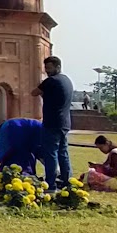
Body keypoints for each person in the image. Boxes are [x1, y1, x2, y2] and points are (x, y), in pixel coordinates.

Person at [38, 55, 74, 189]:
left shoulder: (51, 81)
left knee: (51, 153)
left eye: (49, 68)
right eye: (46, 68)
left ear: (57, 67)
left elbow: (34, 92)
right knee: (63, 152)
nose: (47, 70)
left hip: (52, 122)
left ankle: (51, 183)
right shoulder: (67, 80)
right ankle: (67, 180)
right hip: (65, 122)